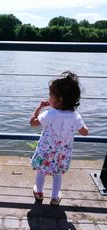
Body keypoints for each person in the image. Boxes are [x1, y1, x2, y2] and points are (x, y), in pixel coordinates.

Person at [30, 71, 88, 206]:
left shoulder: (49, 114)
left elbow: (32, 123)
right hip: (62, 154)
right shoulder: (75, 116)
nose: (48, 97)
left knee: (41, 171)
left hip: (45, 152)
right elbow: (85, 132)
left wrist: (39, 107)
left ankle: (39, 192)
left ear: (60, 99)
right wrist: (80, 123)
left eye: (50, 95)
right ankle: (55, 197)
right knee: (57, 173)